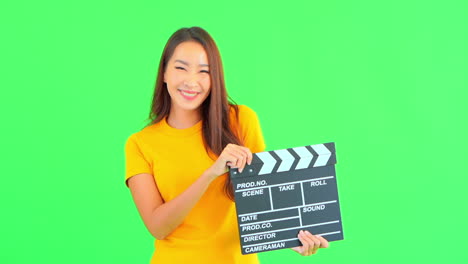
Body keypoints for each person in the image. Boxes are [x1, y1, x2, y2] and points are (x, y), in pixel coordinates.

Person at [124, 26, 329, 264]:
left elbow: (262, 199)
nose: (191, 81)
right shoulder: (140, 144)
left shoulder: (241, 121)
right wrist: (211, 173)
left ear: (215, 78)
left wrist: (292, 237)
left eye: (204, 71)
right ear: (164, 73)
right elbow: (158, 227)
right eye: (181, 68)